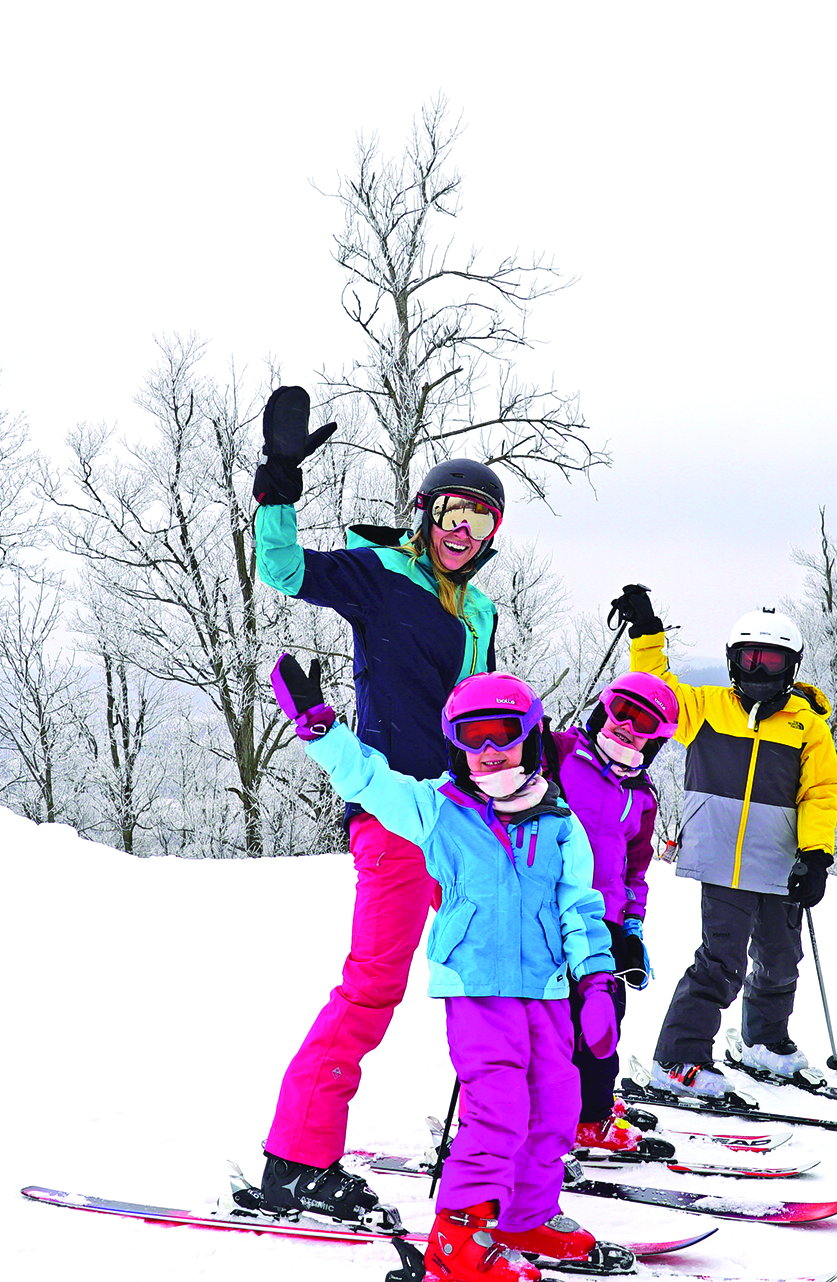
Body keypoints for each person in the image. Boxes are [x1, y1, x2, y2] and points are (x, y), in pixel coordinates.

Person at [271, 656, 618, 1282]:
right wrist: (326, 734)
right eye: (472, 739)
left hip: (546, 991)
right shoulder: (439, 811)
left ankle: (525, 1215)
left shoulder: (561, 825)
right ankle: (458, 1238)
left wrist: (595, 978)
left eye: (503, 735)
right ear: (454, 746)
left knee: (558, 1103)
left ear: (530, 738)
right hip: (478, 992)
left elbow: (580, 905)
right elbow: (371, 782)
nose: (489, 752)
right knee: (499, 1106)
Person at [248, 384, 505, 1221]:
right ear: (427, 513)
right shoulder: (381, 573)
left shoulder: (484, 613)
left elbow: (475, 713)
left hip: (464, 823)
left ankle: (501, 1148)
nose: (464, 530)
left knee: (496, 984)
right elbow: (280, 570)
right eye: (454, 512)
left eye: (483, 520)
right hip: (394, 815)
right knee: (372, 987)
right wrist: (280, 480)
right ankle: (295, 1159)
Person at [608, 586, 837, 1092]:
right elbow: (655, 690)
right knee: (721, 963)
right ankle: (680, 1058)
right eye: (750, 659)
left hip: (781, 865)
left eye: (772, 660)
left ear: (791, 666)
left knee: (781, 961)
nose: (760, 671)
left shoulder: (807, 726)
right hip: (722, 865)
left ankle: (763, 1041)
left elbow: (821, 793)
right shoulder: (706, 709)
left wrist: (816, 855)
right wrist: (648, 633)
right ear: (733, 661)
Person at [548, 670, 678, 1153]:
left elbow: (636, 869)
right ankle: (587, 1115)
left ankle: (591, 1102)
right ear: (603, 708)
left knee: (607, 1017)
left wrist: (632, 924)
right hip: (553, 913)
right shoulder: (560, 755)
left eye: (642, 721)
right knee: (568, 1017)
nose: (626, 725)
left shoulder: (640, 796)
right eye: (619, 710)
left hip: (604, 923)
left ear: (656, 741)